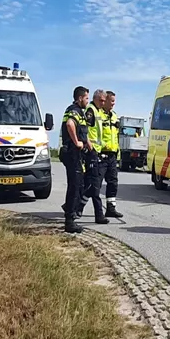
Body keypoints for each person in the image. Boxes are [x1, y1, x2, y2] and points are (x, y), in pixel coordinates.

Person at [59, 86, 90, 233]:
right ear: (80, 98)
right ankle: (69, 221)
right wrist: (77, 142)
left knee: (80, 185)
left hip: (78, 155)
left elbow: (84, 134)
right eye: (86, 98)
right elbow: (70, 124)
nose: (87, 101)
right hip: (72, 153)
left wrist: (90, 148)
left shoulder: (80, 113)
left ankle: (69, 209)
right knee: (75, 186)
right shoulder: (74, 110)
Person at [76, 89, 109, 224]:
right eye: (101, 100)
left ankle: (76, 207)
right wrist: (88, 144)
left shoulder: (99, 111)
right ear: (95, 99)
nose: (103, 103)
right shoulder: (90, 110)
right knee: (94, 185)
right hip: (91, 152)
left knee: (91, 184)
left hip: (97, 152)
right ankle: (98, 215)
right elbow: (85, 130)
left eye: (104, 100)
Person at [99, 90, 123, 218]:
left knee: (113, 182)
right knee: (94, 184)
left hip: (113, 155)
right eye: (112, 101)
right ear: (106, 100)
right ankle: (76, 207)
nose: (114, 103)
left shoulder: (114, 115)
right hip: (101, 154)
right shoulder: (99, 115)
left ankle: (111, 208)